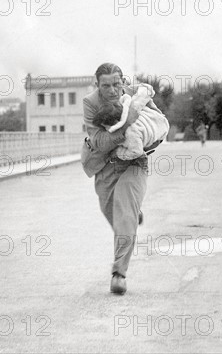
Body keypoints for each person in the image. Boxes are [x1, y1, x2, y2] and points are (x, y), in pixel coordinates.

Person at [81, 63, 162, 295]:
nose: (112, 90)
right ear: (97, 85)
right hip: (105, 164)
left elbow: (156, 119)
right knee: (115, 216)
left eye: (117, 84)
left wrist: (147, 133)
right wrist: (127, 123)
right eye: (105, 86)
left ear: (123, 81)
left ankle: (119, 274)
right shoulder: (90, 103)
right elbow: (99, 143)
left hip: (134, 163)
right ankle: (133, 215)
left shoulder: (136, 94)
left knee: (124, 214)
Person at [92, 83, 169, 160]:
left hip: (160, 130)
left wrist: (118, 153)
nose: (105, 129)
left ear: (114, 123)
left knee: (135, 151)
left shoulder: (130, 134)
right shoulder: (127, 107)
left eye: (105, 127)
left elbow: (136, 152)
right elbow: (146, 89)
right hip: (156, 117)